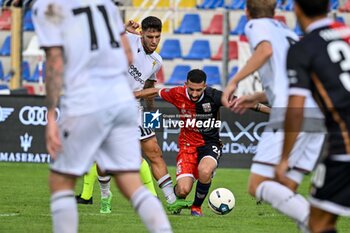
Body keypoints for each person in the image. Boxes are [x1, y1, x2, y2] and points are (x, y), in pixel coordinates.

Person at [32, 1, 172, 233]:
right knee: (129, 181)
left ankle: (90, 201)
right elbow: (127, 56)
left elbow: (55, 63)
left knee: (61, 180)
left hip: (88, 97)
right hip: (120, 100)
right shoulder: (105, 6)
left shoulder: (46, 7)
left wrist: (50, 115)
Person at [221, 0, 325, 230]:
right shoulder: (287, 32)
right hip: (315, 113)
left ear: (247, 12)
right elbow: (292, 77)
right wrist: (258, 96)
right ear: (275, 11)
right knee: (286, 187)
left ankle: (318, 222)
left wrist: (234, 82)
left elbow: (265, 50)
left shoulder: (256, 25)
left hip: (291, 112)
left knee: (257, 184)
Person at [75, 16, 191, 213]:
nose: (154, 41)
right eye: (150, 36)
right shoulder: (128, 40)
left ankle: (171, 201)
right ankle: (105, 195)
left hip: (134, 109)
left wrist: (151, 107)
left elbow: (149, 83)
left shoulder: (157, 61)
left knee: (154, 151)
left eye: (157, 37)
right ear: (142, 34)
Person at [135, 69, 270, 216]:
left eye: (198, 90)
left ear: (205, 86)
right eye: (191, 89)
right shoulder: (177, 93)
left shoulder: (215, 96)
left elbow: (248, 103)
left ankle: (196, 207)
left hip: (209, 145)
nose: (194, 94)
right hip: (187, 147)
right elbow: (155, 91)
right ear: (186, 85)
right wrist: (133, 95)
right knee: (183, 190)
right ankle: (176, 198)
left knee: (205, 171)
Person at [275, 0, 350, 232]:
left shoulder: (303, 48)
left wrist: (285, 158)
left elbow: (296, 108)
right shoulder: (346, 34)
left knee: (317, 224)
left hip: (345, 147)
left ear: (296, 8)